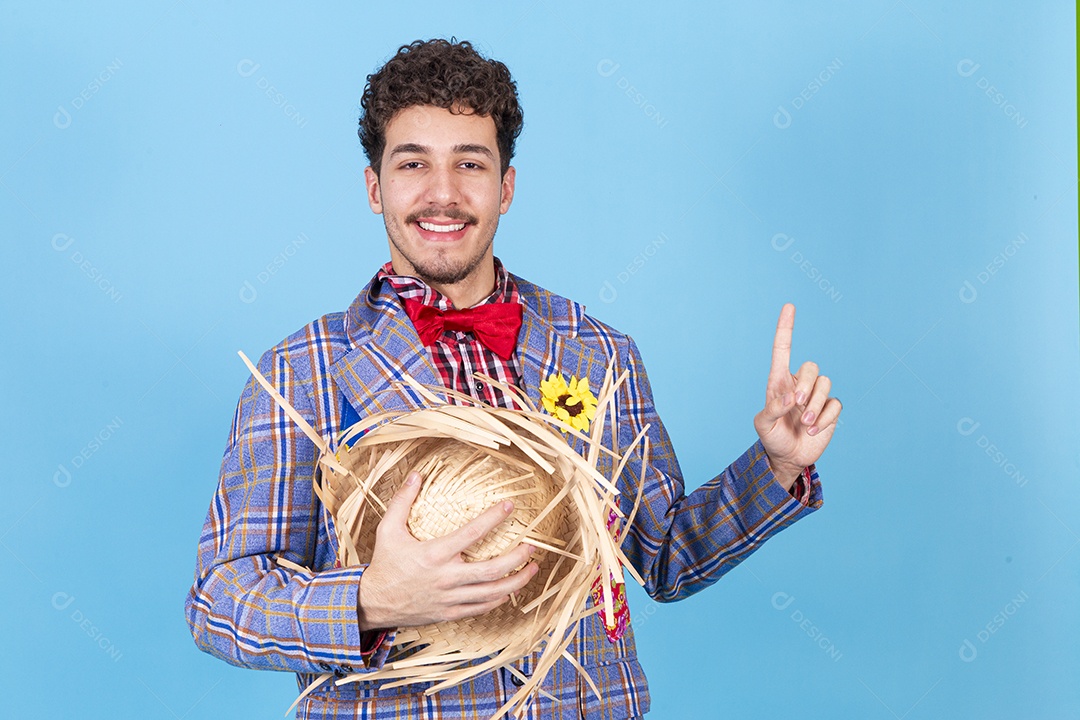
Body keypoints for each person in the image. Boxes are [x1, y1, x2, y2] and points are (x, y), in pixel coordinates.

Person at [184, 38, 841, 719]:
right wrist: (372, 599)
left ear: (506, 186)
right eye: (413, 164)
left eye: (470, 163)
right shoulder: (301, 371)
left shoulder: (597, 351)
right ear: (375, 188)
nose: (443, 193)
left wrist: (776, 465)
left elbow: (667, 557)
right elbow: (220, 601)